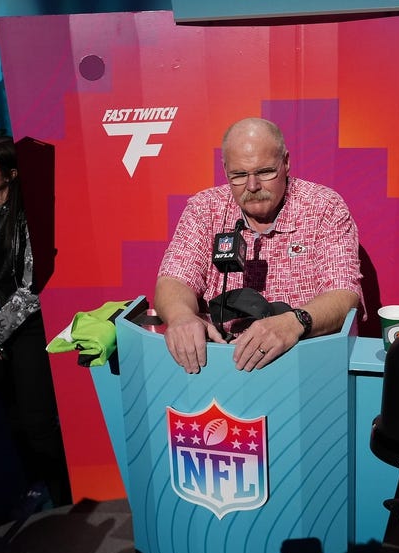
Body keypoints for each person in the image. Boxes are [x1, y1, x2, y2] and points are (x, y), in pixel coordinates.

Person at [155, 117, 364, 374]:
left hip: (305, 364)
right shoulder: (204, 209)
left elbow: (344, 295)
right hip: (219, 365)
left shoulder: (324, 208)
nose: (252, 187)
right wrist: (180, 316)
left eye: (265, 172)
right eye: (239, 175)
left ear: (285, 163)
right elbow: (174, 280)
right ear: (225, 170)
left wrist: (293, 322)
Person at [0, 137, 71, 510]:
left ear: (11, 174)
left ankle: (63, 496)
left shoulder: (29, 217)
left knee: (38, 423)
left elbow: (32, 287)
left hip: (24, 333)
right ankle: (34, 486)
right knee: (11, 419)